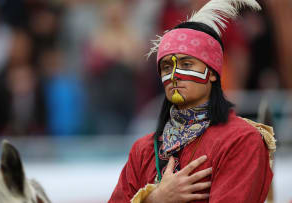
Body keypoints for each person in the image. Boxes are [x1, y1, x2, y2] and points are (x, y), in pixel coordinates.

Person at [108, 0, 275, 202]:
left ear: (212, 73)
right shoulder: (143, 150)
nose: (174, 75)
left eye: (186, 64)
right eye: (167, 67)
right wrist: (156, 199)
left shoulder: (241, 139)